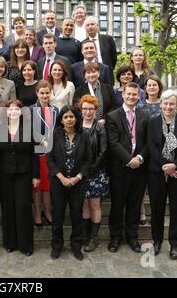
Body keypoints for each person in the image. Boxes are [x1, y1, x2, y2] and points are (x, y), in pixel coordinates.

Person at [147, 90, 177, 260]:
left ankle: (174, 244)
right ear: (160, 104)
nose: (168, 106)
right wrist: (165, 166)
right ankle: (156, 241)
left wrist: (174, 165)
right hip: (157, 172)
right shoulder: (152, 122)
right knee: (157, 208)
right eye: (165, 103)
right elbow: (151, 146)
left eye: (172, 104)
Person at [106, 82, 148, 253]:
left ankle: (132, 237)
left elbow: (148, 142)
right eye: (128, 94)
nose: (131, 97)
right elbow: (113, 143)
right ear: (123, 94)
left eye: (134, 95)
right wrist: (129, 160)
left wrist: (139, 157)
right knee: (117, 205)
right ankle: (115, 237)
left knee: (135, 205)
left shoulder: (145, 116)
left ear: (138, 96)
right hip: (120, 169)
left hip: (140, 168)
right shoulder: (112, 116)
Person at [47, 105, 92, 260]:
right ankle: (57, 246)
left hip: (78, 183)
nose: (68, 119)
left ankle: (76, 246)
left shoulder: (84, 135)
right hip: (58, 182)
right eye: (65, 117)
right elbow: (50, 160)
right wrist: (62, 177)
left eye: (71, 116)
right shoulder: (54, 134)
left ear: (76, 118)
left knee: (76, 216)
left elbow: (88, 161)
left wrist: (77, 177)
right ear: (61, 119)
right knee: (58, 216)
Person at [0, 99, 40, 256]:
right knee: (8, 207)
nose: (13, 112)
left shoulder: (28, 129)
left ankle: (26, 245)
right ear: (5, 112)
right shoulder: (0, 129)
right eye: (10, 109)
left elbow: (34, 153)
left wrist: (36, 175)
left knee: (23, 207)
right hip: (5, 174)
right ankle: (10, 242)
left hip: (24, 173)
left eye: (16, 109)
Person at [78, 95, 109, 252]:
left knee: (94, 204)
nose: (88, 112)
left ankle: (93, 238)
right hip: (80, 173)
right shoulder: (76, 126)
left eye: (91, 109)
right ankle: (84, 236)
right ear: (81, 110)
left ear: (96, 110)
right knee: (84, 204)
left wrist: (91, 170)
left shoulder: (100, 127)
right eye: (85, 109)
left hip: (96, 173)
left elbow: (103, 151)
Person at [30, 81, 59, 228]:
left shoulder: (56, 110)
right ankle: (37, 212)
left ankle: (47, 211)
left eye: (47, 92)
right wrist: (43, 141)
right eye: (42, 93)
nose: (45, 95)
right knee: (38, 185)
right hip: (37, 152)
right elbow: (29, 130)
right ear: (37, 93)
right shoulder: (30, 110)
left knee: (48, 185)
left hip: (52, 153)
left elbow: (58, 130)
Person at [137, 75, 164, 226]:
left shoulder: (164, 104)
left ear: (159, 87)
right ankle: (141, 212)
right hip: (143, 149)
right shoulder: (139, 105)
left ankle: (156, 213)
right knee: (141, 184)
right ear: (145, 89)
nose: (152, 88)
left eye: (155, 85)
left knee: (156, 187)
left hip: (159, 151)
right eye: (149, 85)